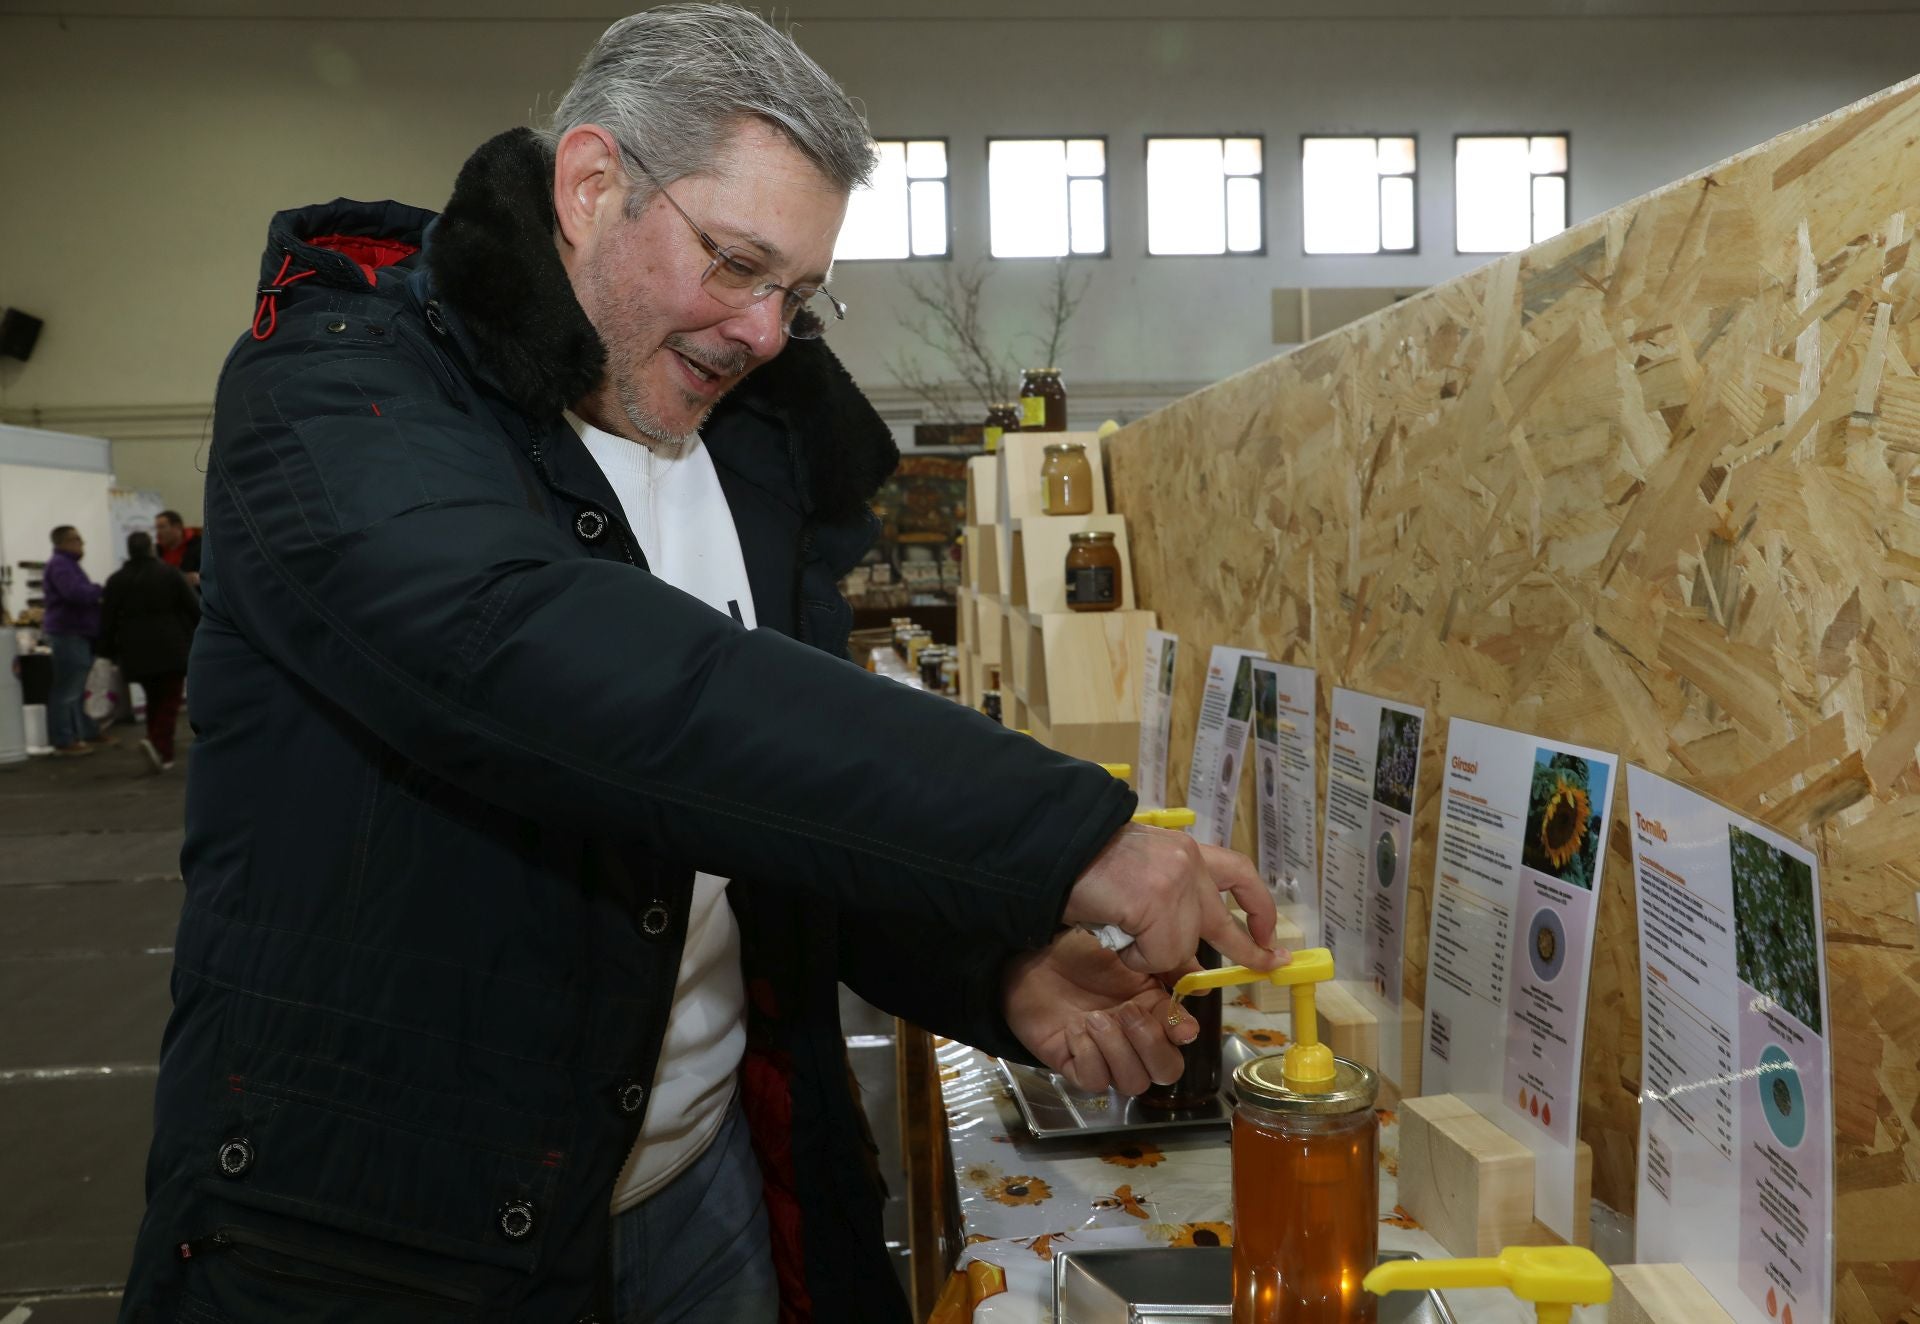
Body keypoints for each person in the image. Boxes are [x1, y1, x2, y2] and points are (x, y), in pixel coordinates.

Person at [117, 8, 1284, 1323]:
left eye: (797, 290)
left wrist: (995, 964)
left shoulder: (750, 447)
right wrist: (1072, 832)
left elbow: (759, 809)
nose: (767, 331)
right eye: (735, 264)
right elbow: (569, 675)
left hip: (704, 1190)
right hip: (392, 1239)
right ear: (594, 183)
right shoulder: (345, 391)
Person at [98, 532, 200, 773]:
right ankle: (160, 746)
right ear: (151, 549)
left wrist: (105, 652)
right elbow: (194, 608)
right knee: (170, 699)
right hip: (170, 646)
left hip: (134, 651)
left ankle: (156, 744)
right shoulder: (170, 574)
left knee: (154, 698)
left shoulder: (116, 580)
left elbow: (107, 620)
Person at [41, 525, 107, 757]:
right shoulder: (61, 565)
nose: (82, 543)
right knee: (67, 690)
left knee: (76, 689)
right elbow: (74, 593)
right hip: (68, 633)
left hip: (76, 633)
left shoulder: (68, 565)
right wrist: (98, 590)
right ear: (64, 542)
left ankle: (85, 732)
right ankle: (64, 739)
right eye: (76, 539)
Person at [153, 510, 202, 588]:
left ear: (177, 527)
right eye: (156, 528)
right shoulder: (155, 552)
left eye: (162, 527)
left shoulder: (199, 547)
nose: (158, 532)